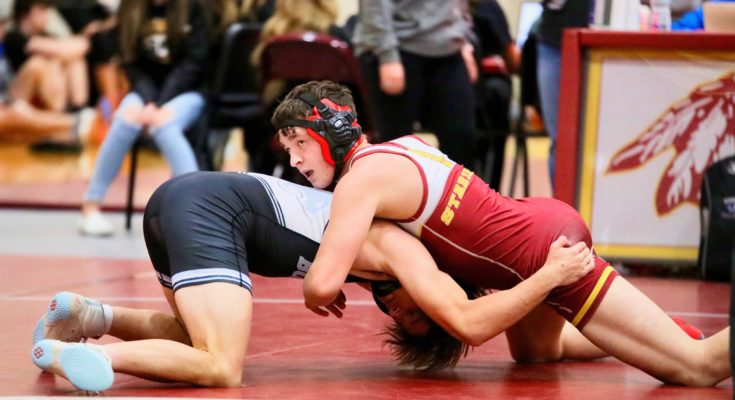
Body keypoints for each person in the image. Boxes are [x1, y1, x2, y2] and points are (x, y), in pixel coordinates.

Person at [273, 80, 731, 386]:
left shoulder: (359, 183)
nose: (293, 161)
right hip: (533, 228)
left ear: (332, 132)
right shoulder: (403, 146)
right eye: (287, 149)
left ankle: (663, 340)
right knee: (537, 352)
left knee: (699, 367)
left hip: (545, 252)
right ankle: (660, 329)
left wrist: (323, 282)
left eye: (300, 143)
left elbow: (322, 286)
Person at [30, 170, 595, 391]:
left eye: (401, 320)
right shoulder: (404, 248)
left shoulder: (367, 253)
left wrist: (601, 342)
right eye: (418, 312)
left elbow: (555, 344)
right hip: (210, 210)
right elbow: (471, 322)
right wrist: (549, 276)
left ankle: (90, 316)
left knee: (191, 341)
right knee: (221, 367)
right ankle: (92, 359)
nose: (400, 310)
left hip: (181, 200)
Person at [77, 0, 230, 236]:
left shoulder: (194, 8)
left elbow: (195, 63)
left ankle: (197, 211)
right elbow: (130, 63)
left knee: (164, 125)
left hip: (190, 91)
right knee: (125, 119)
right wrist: (149, 101)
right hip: (146, 92)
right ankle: (91, 206)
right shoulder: (131, 9)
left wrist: (159, 105)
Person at [352, 0, 477, 167]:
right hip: (399, 49)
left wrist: (464, 40)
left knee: (461, 137)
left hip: (449, 49)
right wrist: (386, 54)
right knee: (394, 144)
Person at [5, 0, 91, 113]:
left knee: (74, 60)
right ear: (25, 13)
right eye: (41, 11)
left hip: (46, 91)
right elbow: (41, 47)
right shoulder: (13, 36)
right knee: (39, 63)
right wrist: (64, 49)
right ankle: (60, 113)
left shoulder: (48, 35)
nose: (46, 16)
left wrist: (66, 49)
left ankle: (79, 109)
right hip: (17, 94)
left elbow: (82, 45)